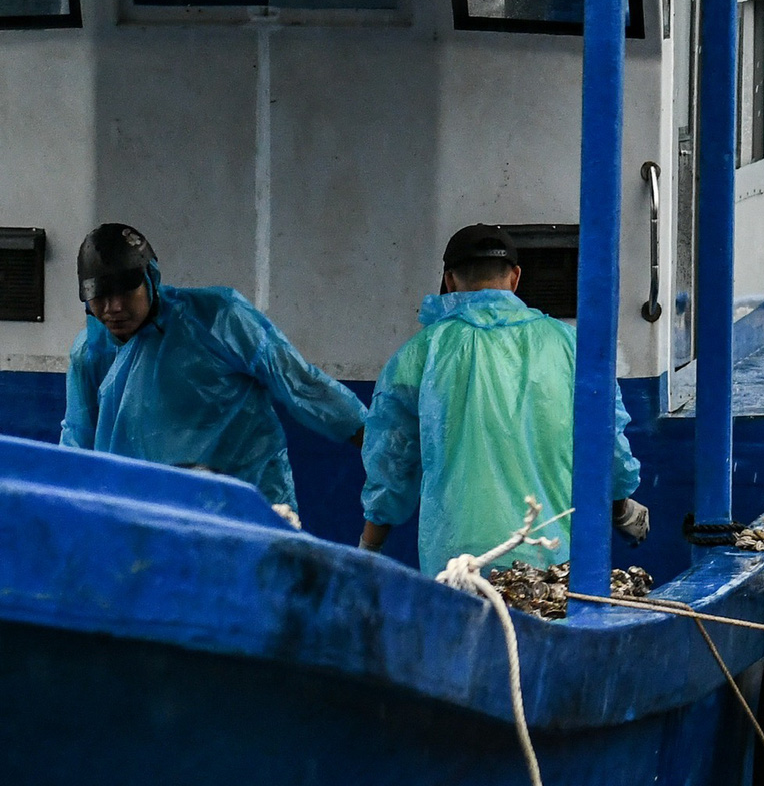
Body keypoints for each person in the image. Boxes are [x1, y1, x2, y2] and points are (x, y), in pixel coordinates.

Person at [359, 224, 648, 576]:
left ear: (449, 281)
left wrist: (370, 546)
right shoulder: (570, 347)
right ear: (515, 278)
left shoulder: (417, 356)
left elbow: (391, 463)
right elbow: (607, 443)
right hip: (552, 561)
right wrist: (621, 509)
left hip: (457, 564)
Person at [61, 222, 367, 509]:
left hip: (245, 508)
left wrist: (382, 447)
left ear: (151, 278)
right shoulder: (90, 354)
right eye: (99, 296)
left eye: (126, 291)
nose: (113, 308)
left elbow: (302, 385)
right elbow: (77, 445)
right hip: (144, 519)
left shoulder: (220, 319)